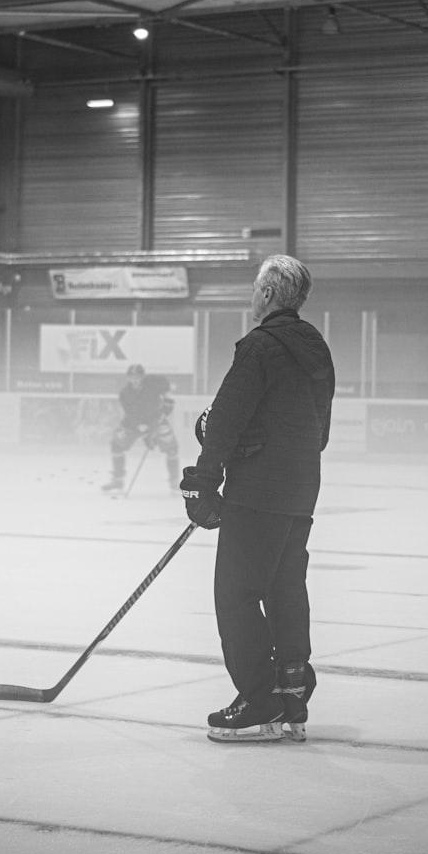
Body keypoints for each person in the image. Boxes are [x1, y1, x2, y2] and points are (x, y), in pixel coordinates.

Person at [181, 254, 336, 743]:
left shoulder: (259, 347)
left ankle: (258, 699)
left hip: (258, 493)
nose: (253, 296)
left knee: (237, 592)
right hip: (300, 490)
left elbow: (226, 419)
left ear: (268, 294)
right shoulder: (317, 347)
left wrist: (202, 483)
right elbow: (317, 431)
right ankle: (291, 690)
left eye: (255, 289)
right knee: (286, 587)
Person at [102, 363, 180, 493]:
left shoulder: (153, 383)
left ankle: (174, 482)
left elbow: (166, 385)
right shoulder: (124, 393)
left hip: (156, 419)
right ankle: (118, 480)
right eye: (131, 377)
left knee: (172, 448)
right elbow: (129, 413)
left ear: (143, 377)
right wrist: (143, 431)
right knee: (116, 444)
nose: (135, 380)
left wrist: (168, 400)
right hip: (134, 422)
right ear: (127, 378)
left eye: (138, 377)